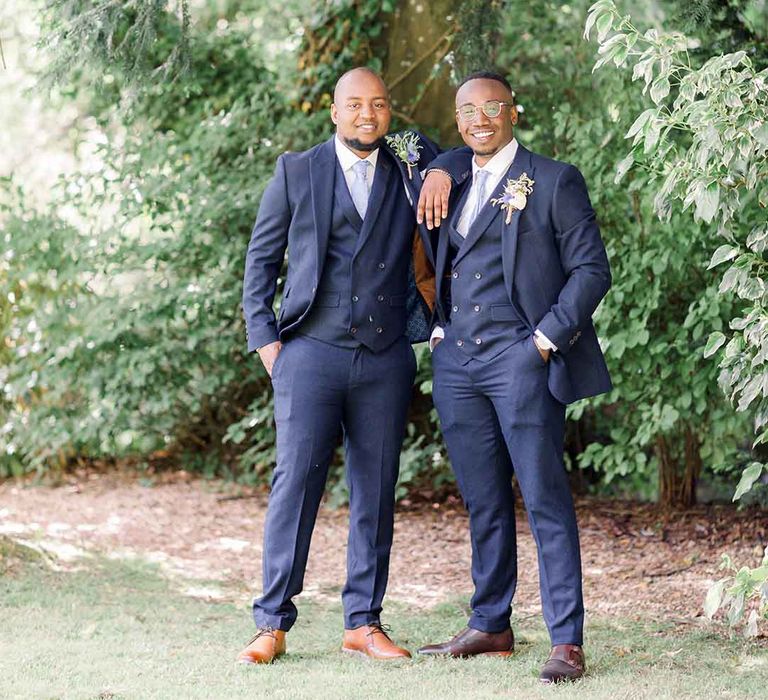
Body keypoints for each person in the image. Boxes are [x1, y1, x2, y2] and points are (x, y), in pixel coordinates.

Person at [238, 67, 468, 664]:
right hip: (309, 351)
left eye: (380, 105)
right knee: (296, 486)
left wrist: (441, 166)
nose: (368, 114)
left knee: (376, 489)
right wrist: (268, 342)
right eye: (356, 104)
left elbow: (463, 155)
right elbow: (260, 261)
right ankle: (272, 623)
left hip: (385, 357)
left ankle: (363, 622)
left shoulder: (411, 165)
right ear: (334, 111)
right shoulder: (297, 170)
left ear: (390, 113)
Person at [415, 71, 612, 684]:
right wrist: (438, 329)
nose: (479, 119)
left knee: (544, 495)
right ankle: (491, 622)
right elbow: (405, 158)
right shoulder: (451, 177)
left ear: (513, 113)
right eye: (467, 110)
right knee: (482, 500)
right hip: (458, 366)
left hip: (523, 359)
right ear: (458, 120)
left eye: (491, 108)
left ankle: (567, 639)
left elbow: (591, 271)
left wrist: (545, 342)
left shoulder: (554, 180)